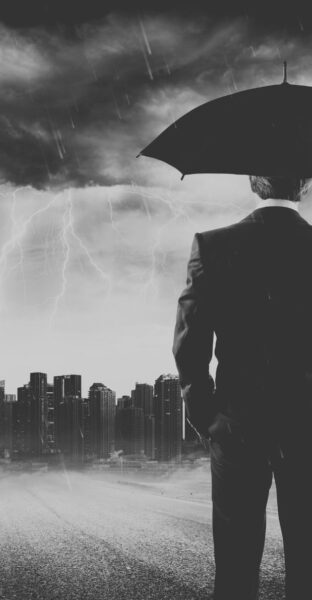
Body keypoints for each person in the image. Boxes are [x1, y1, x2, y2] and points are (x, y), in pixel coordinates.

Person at [173, 175, 312, 600]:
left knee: (235, 566)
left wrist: (209, 419)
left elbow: (189, 343)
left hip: (236, 425)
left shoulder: (213, 245)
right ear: (306, 184)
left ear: (255, 182)